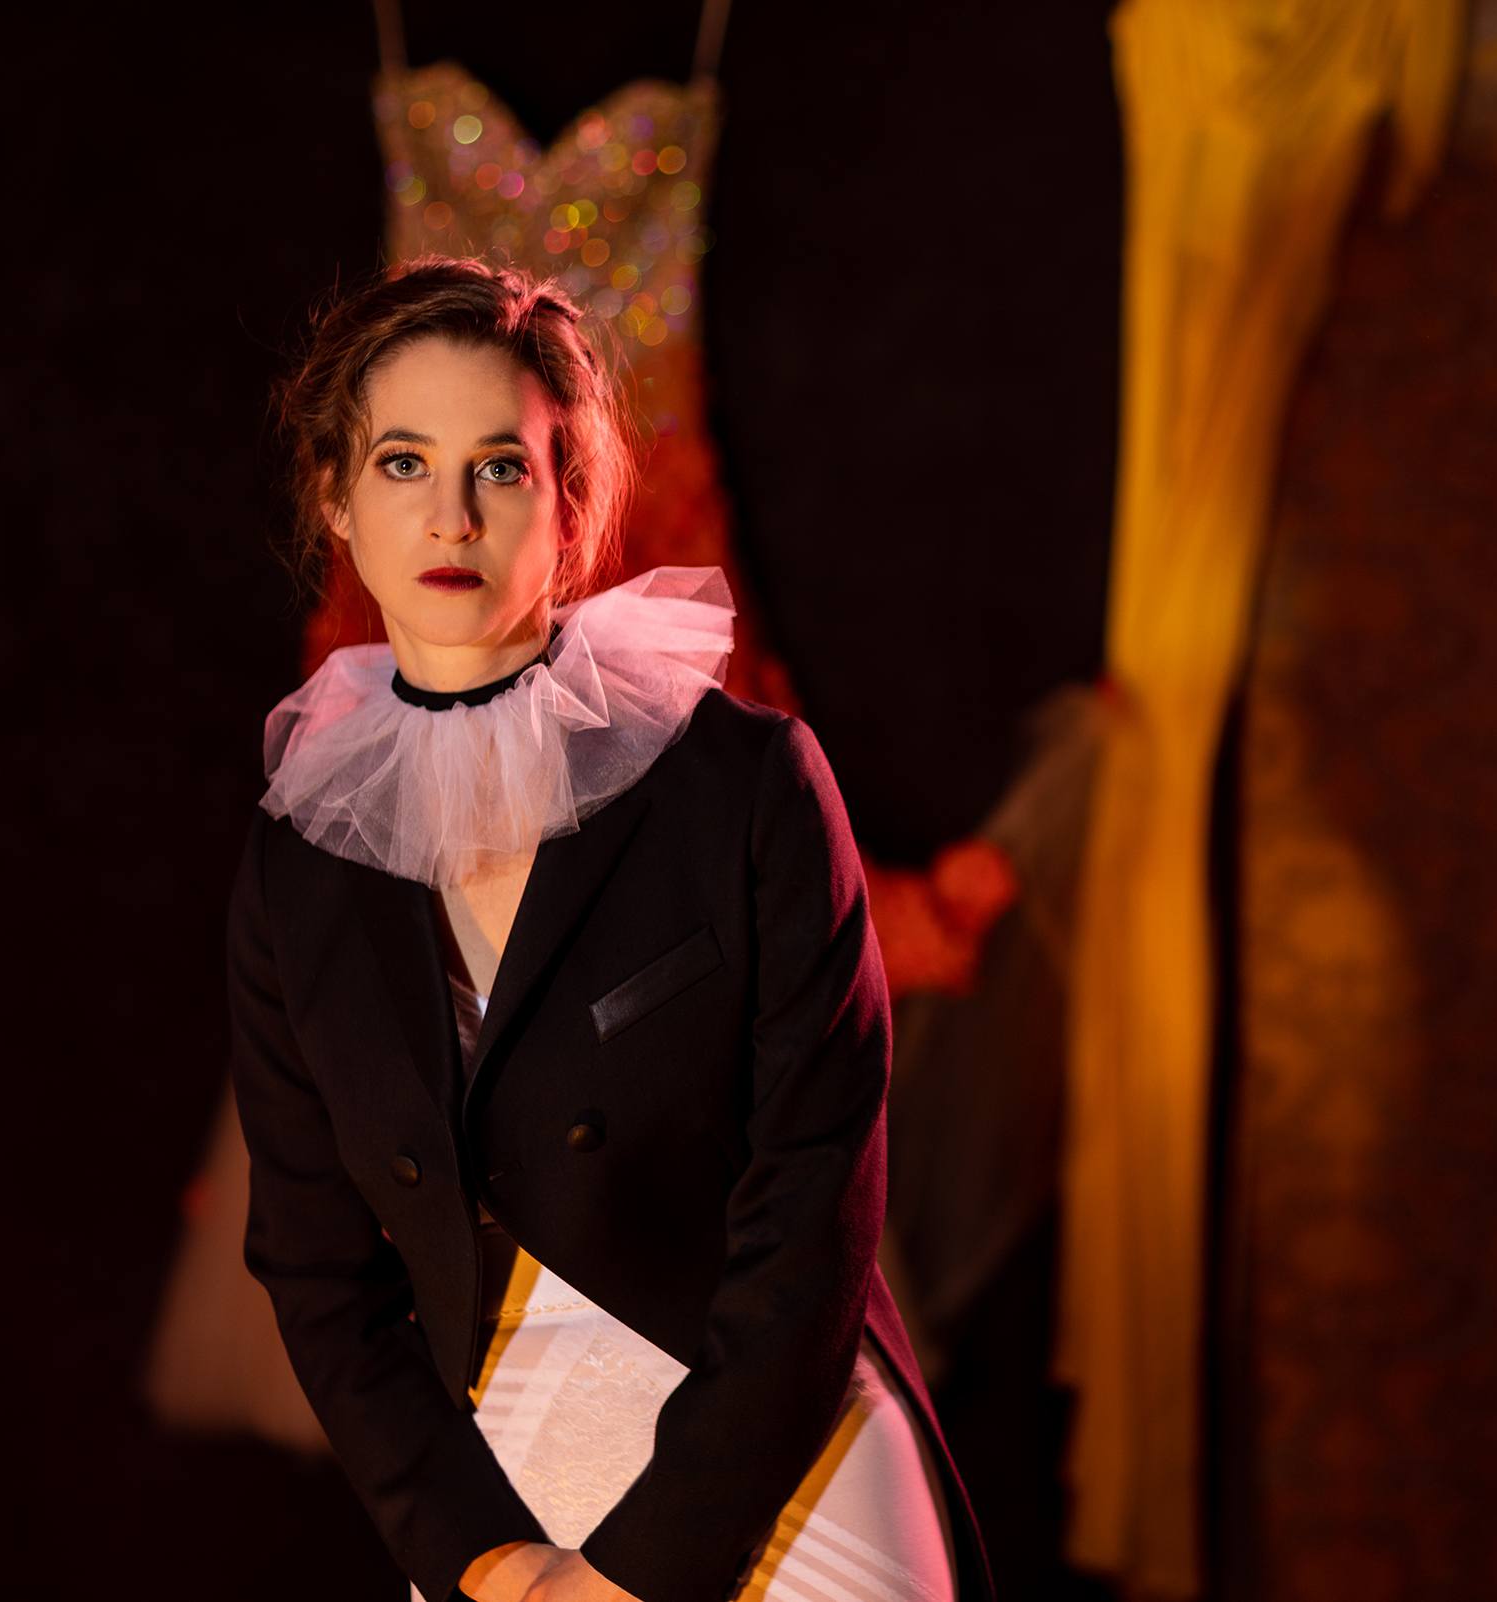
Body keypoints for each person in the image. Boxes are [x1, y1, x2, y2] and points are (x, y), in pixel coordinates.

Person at [227, 254, 995, 1602]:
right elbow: (318, 1273)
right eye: (403, 464)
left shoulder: (745, 785)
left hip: (778, 1443)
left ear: (570, 499)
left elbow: (814, 1210)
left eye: (501, 466)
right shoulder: (299, 864)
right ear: (336, 497)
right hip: (500, 1486)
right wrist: (484, 1559)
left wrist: (643, 1570)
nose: (452, 515)